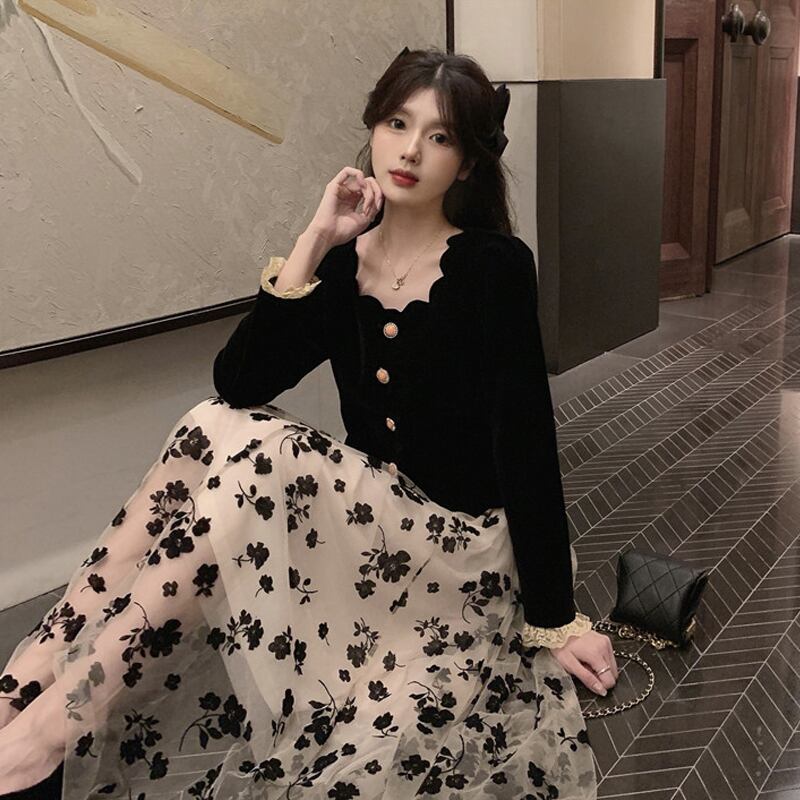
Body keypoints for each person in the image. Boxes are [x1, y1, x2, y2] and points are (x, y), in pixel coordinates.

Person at [0, 46, 617, 799]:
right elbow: (238, 384)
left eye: (441, 137)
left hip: (453, 551)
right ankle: (21, 693)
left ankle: (46, 739)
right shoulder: (344, 263)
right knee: (210, 425)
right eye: (398, 124)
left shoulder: (495, 267)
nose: (411, 150)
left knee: (265, 456)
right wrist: (316, 239)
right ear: (374, 129)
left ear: (467, 165)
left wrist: (556, 618)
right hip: (363, 532)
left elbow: (526, 444)